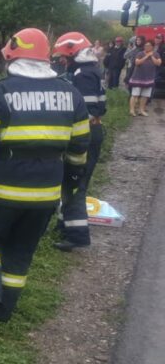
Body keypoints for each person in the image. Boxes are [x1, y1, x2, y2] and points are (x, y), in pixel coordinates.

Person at [0, 27, 90, 326]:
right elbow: (80, 146)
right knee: (21, 250)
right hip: (46, 189)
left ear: (12, 56)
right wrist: (71, 181)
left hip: (4, 185)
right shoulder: (71, 93)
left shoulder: (0, 91)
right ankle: (4, 310)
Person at [51, 31, 106, 252]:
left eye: (64, 56)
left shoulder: (83, 74)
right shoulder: (92, 70)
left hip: (85, 134)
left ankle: (77, 235)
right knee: (70, 182)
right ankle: (64, 224)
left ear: (74, 53)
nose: (62, 60)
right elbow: (101, 107)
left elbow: (86, 111)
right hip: (92, 132)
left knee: (75, 184)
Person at [129, 40, 161, 116]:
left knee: (145, 96)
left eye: (148, 46)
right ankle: (132, 110)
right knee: (134, 95)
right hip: (138, 78)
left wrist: (151, 56)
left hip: (149, 79)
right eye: (145, 45)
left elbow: (158, 63)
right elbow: (137, 62)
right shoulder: (140, 53)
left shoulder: (156, 54)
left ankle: (141, 110)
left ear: (152, 47)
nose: (146, 47)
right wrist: (146, 56)